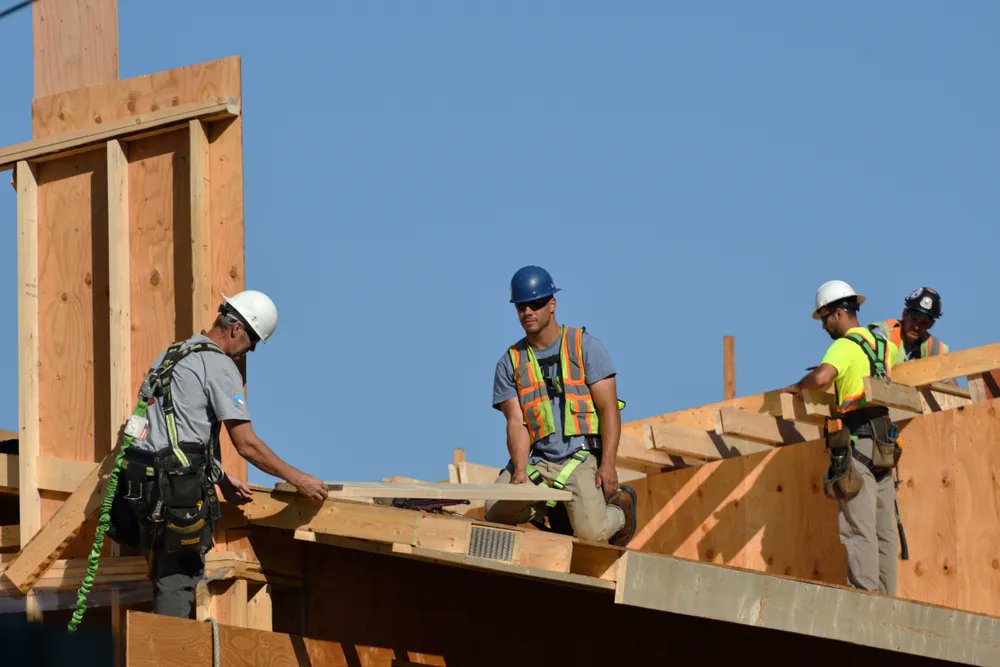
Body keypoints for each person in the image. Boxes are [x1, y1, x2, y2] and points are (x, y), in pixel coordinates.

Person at [110, 290, 328, 618]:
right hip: (174, 491)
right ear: (237, 328)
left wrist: (220, 477)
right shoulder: (220, 366)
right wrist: (299, 480)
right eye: (253, 341)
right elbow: (247, 444)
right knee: (179, 577)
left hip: (141, 484)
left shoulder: (173, 354)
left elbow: (173, 429)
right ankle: (170, 645)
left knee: (163, 569)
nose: (252, 350)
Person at [484, 266, 637, 546]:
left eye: (536, 304)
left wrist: (608, 465)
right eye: (521, 306)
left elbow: (609, 410)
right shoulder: (510, 362)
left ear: (552, 304)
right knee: (495, 509)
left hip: (579, 458)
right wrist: (520, 470)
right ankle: (556, 509)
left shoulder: (585, 347)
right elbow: (516, 422)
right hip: (539, 461)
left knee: (592, 533)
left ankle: (620, 512)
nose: (528, 311)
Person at [783, 280, 901, 594]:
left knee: (858, 527)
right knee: (885, 530)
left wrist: (798, 386)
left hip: (859, 442)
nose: (823, 326)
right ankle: (888, 599)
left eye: (824, 318)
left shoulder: (844, 346)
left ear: (838, 313)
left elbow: (822, 378)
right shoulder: (883, 345)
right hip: (884, 445)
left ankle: (864, 598)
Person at [869, 287, 948, 362]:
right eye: (914, 319)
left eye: (923, 323)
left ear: (931, 325)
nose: (916, 327)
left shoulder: (936, 349)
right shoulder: (883, 333)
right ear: (904, 315)